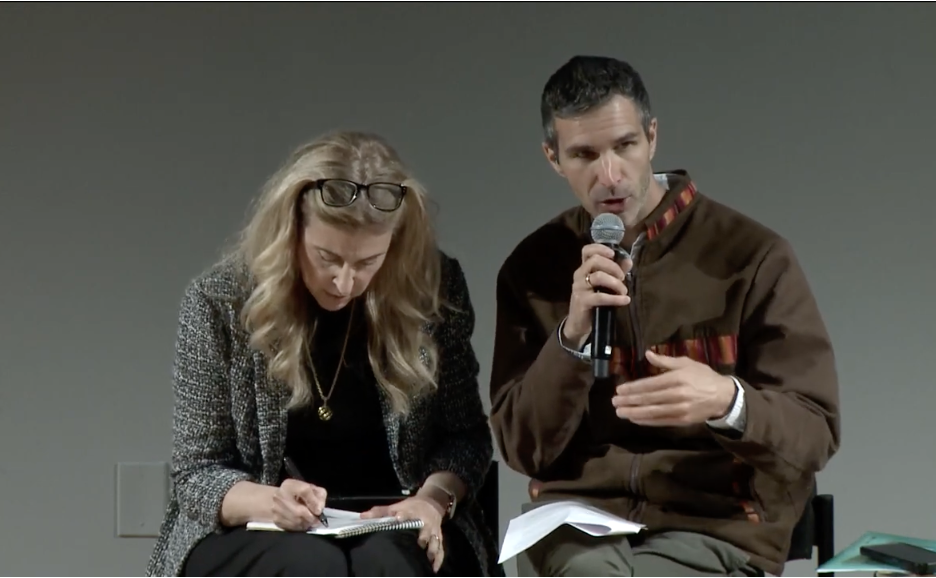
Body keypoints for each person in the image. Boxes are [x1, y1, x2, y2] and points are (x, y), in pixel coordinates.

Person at [489, 55, 841, 577]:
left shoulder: (751, 257)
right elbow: (524, 450)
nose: (610, 175)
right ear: (553, 158)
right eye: (584, 154)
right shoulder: (532, 269)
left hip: (716, 525)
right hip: (580, 521)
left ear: (652, 137)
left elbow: (815, 433)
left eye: (624, 146)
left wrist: (727, 401)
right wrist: (572, 337)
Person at [145, 130, 499, 577]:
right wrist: (269, 502)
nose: (345, 283)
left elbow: (465, 438)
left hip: (399, 518)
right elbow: (197, 471)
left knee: (388, 565)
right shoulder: (220, 301)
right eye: (327, 257)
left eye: (368, 263)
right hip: (257, 525)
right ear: (291, 230)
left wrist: (431, 501)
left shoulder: (432, 289)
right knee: (308, 566)